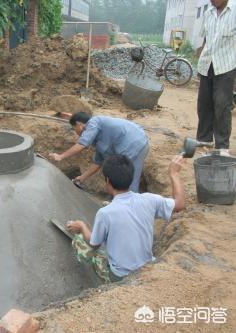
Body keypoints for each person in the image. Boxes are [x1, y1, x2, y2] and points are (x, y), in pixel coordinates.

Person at [66, 154, 186, 282]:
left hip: (121, 276)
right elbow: (179, 204)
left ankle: (100, 284)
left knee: (80, 242)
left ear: (107, 181)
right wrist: (174, 174)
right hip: (147, 268)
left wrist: (81, 227)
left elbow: (94, 244)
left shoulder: (105, 213)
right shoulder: (149, 200)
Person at [49, 112, 149, 192]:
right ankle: (124, 203)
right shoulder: (98, 137)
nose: (76, 132)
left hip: (133, 144)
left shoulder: (94, 122)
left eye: (74, 128)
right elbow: (98, 162)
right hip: (139, 143)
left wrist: (61, 156)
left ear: (79, 125)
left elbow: (82, 144)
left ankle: (124, 205)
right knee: (131, 179)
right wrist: (81, 178)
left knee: (122, 176)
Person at [195, 0, 235, 156]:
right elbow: (206, 38)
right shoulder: (208, 13)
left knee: (222, 105)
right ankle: (204, 138)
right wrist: (201, 62)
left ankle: (222, 145)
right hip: (207, 64)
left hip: (227, 65)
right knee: (204, 103)